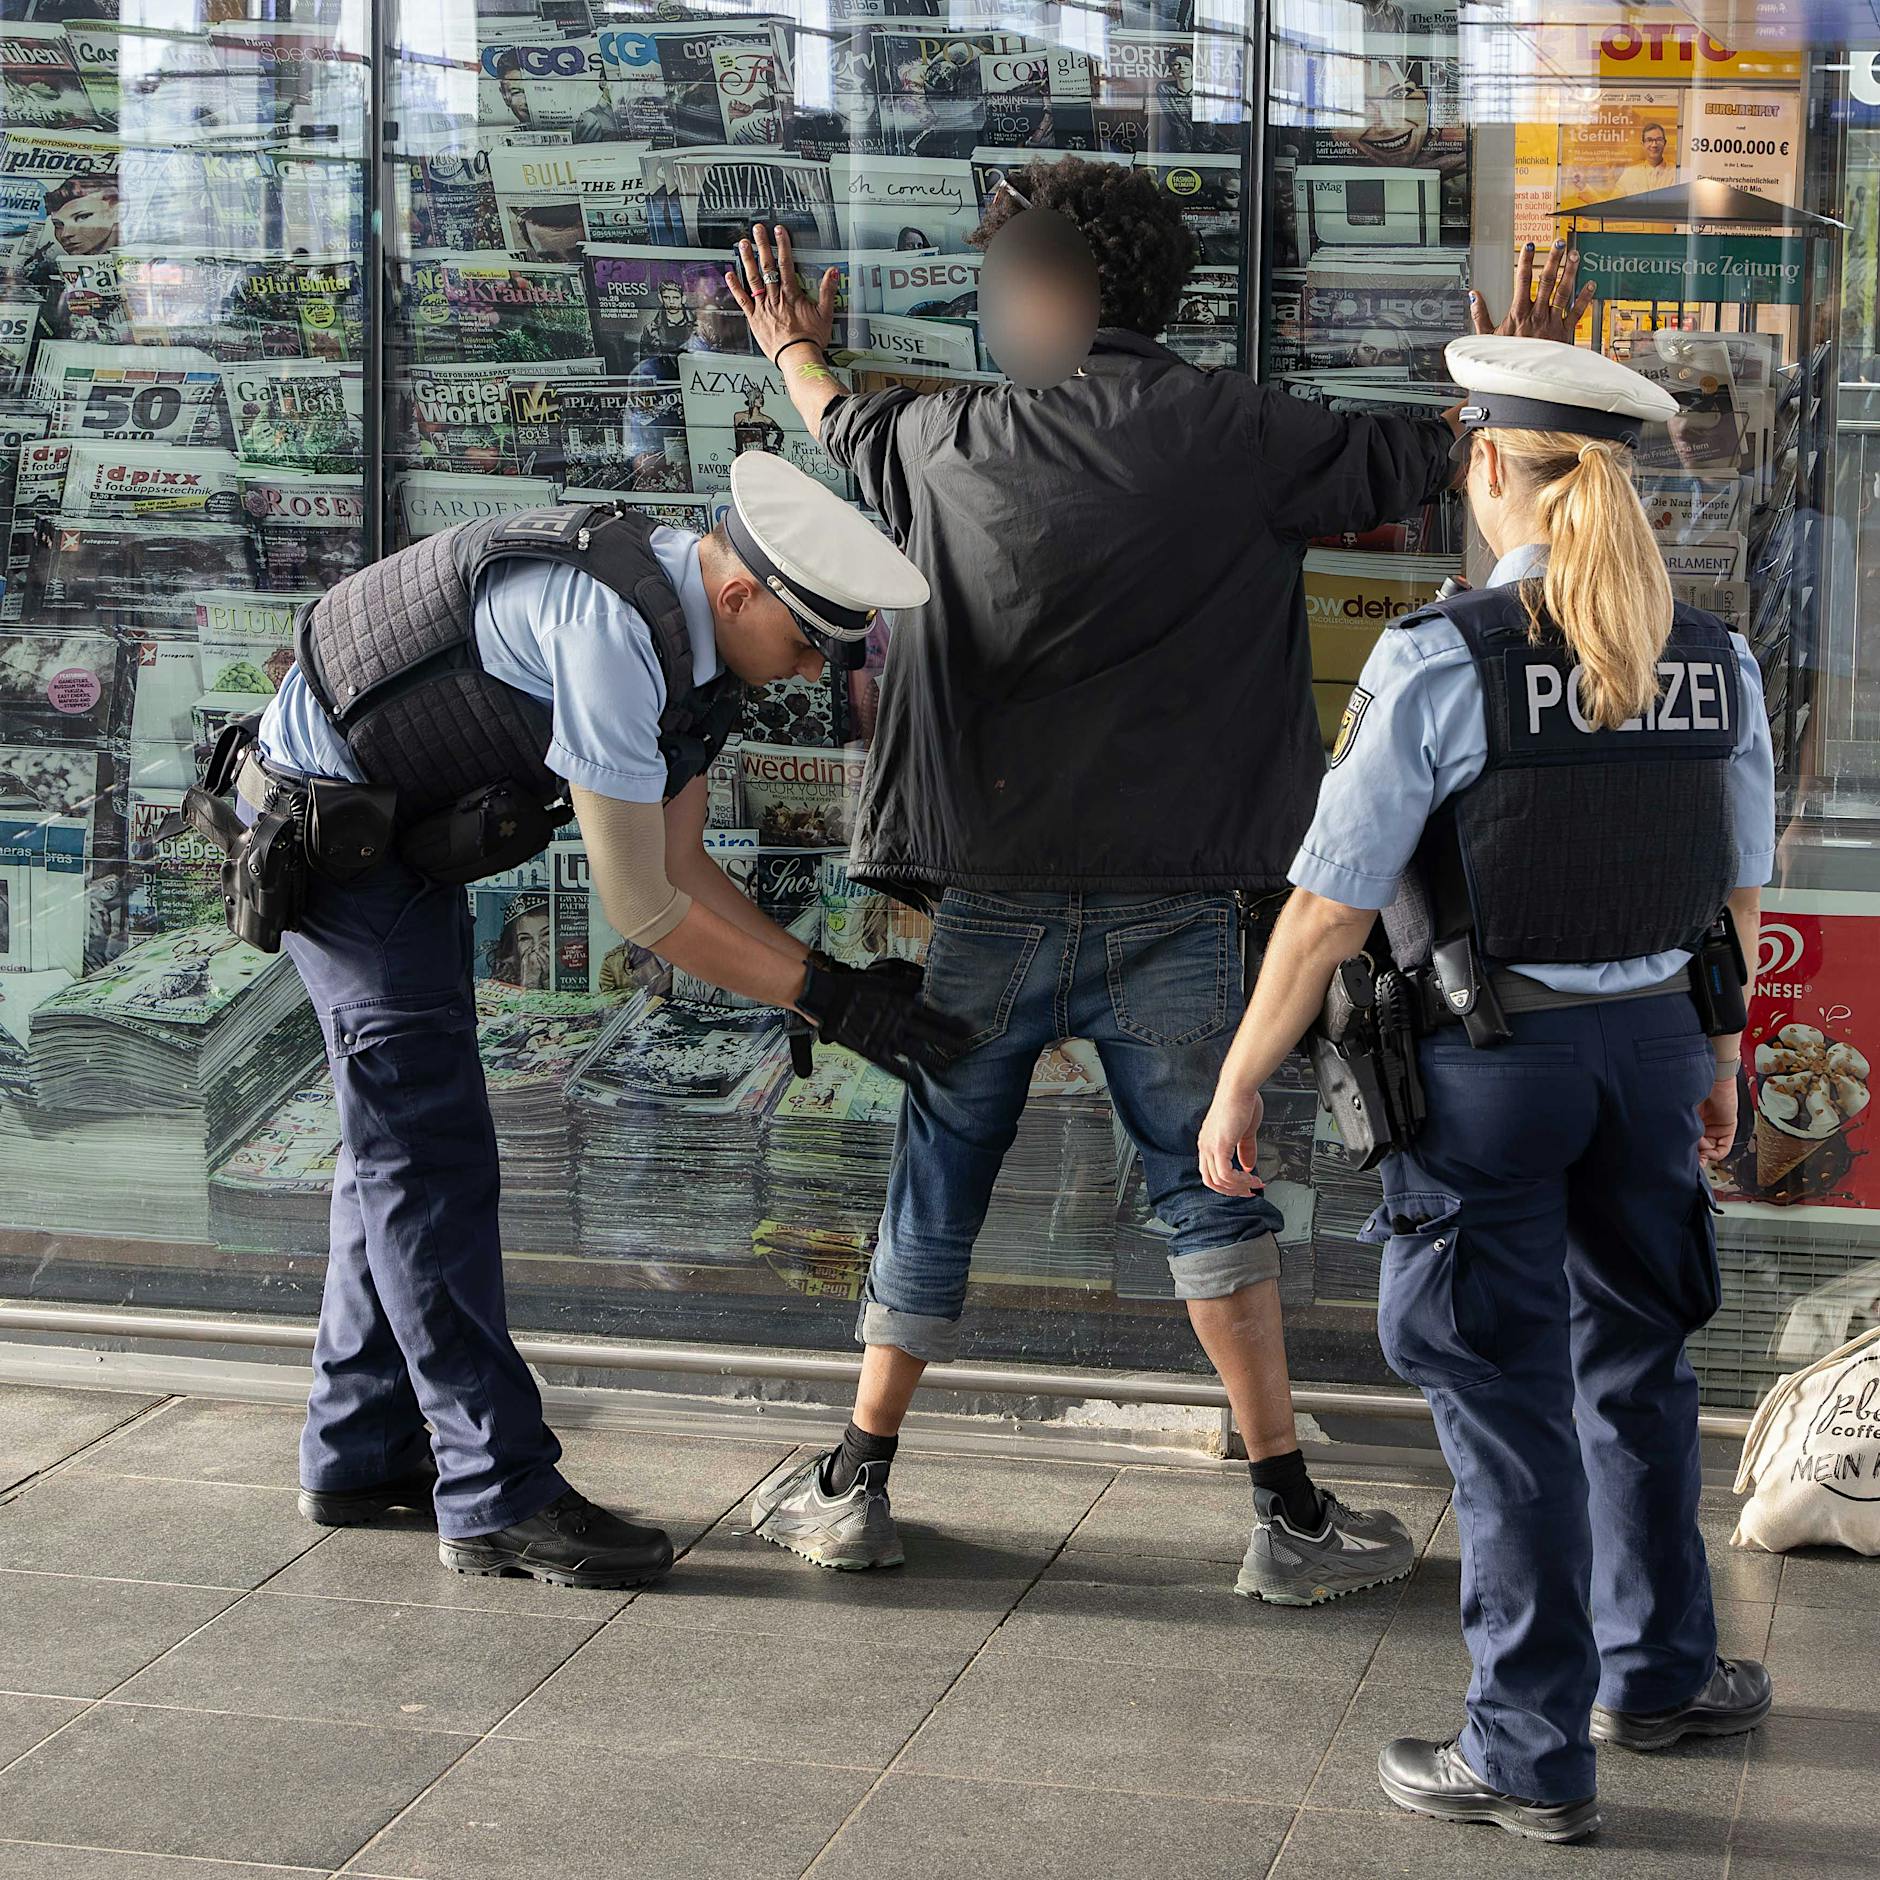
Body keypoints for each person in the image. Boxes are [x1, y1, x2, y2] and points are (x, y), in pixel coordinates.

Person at [721, 163, 1594, 1596]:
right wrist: (1527, 379)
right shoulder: (1240, 433)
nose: (992, 313)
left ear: (1057, 297)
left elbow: (839, 420)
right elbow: (1443, 459)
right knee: (1213, 1194)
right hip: (1180, 910)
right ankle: (1288, 1515)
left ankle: (855, 1482)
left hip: (983, 903)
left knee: (933, 1185)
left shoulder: (942, 439)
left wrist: (787, 341)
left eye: (1004, 287)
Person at [1198, 335, 1776, 1839]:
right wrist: (1712, 1063)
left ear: (1483, 468)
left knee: (1501, 1396)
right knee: (1638, 1365)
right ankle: (1659, 1672)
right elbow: (1735, 908)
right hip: (1652, 1050)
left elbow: (1329, 907)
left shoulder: (1438, 658)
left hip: (1488, 1071)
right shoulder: (1712, 656)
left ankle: (1525, 1748)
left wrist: (1240, 1077)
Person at [225, 456, 960, 1591]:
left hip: (383, 826)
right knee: (428, 1157)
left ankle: (361, 1450)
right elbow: (646, 908)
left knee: (395, 1149)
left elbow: (680, 859)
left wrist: (834, 981)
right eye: (808, 642)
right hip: (327, 834)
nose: (812, 671)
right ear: (739, 595)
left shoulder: (685, 640)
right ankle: (494, 1494)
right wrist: (819, 998)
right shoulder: (615, 635)